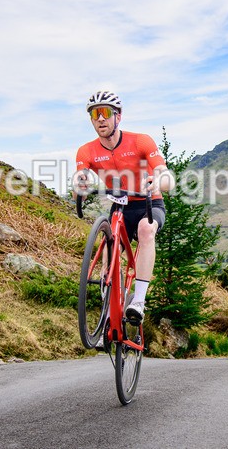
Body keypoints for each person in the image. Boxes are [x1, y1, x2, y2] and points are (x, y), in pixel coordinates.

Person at [74, 90, 172, 325]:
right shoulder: (86, 150)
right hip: (119, 209)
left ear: (118, 116)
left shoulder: (140, 141)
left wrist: (158, 181)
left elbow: (165, 175)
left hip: (148, 204)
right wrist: (81, 185)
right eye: (94, 115)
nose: (100, 119)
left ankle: (138, 301)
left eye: (105, 112)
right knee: (110, 252)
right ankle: (109, 313)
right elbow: (81, 180)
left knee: (146, 230)